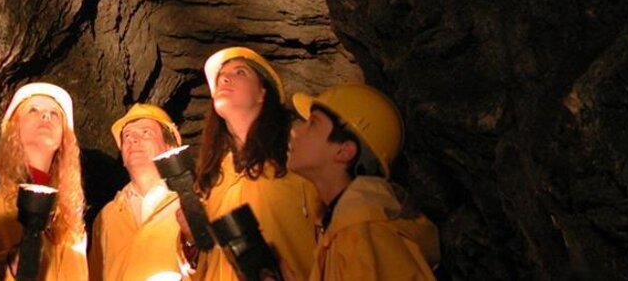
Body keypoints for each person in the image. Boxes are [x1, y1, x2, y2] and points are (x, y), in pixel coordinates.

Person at [189, 47, 321, 281]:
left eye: (240, 72)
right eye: (221, 76)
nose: (225, 78)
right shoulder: (214, 179)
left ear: (262, 93)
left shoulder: (296, 160)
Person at [285, 83, 440, 280]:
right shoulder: (344, 228)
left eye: (313, 123)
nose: (295, 131)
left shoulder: (365, 235)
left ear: (344, 151)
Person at [0, 82, 88, 280]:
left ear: (64, 137)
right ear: (15, 127)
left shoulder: (71, 221)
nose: (46, 116)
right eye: (33, 110)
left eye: (55, 114)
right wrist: (7, 263)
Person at [90, 104, 188, 281]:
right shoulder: (106, 217)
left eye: (145, 132)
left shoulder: (192, 202)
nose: (133, 140)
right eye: (126, 135)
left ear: (170, 146)